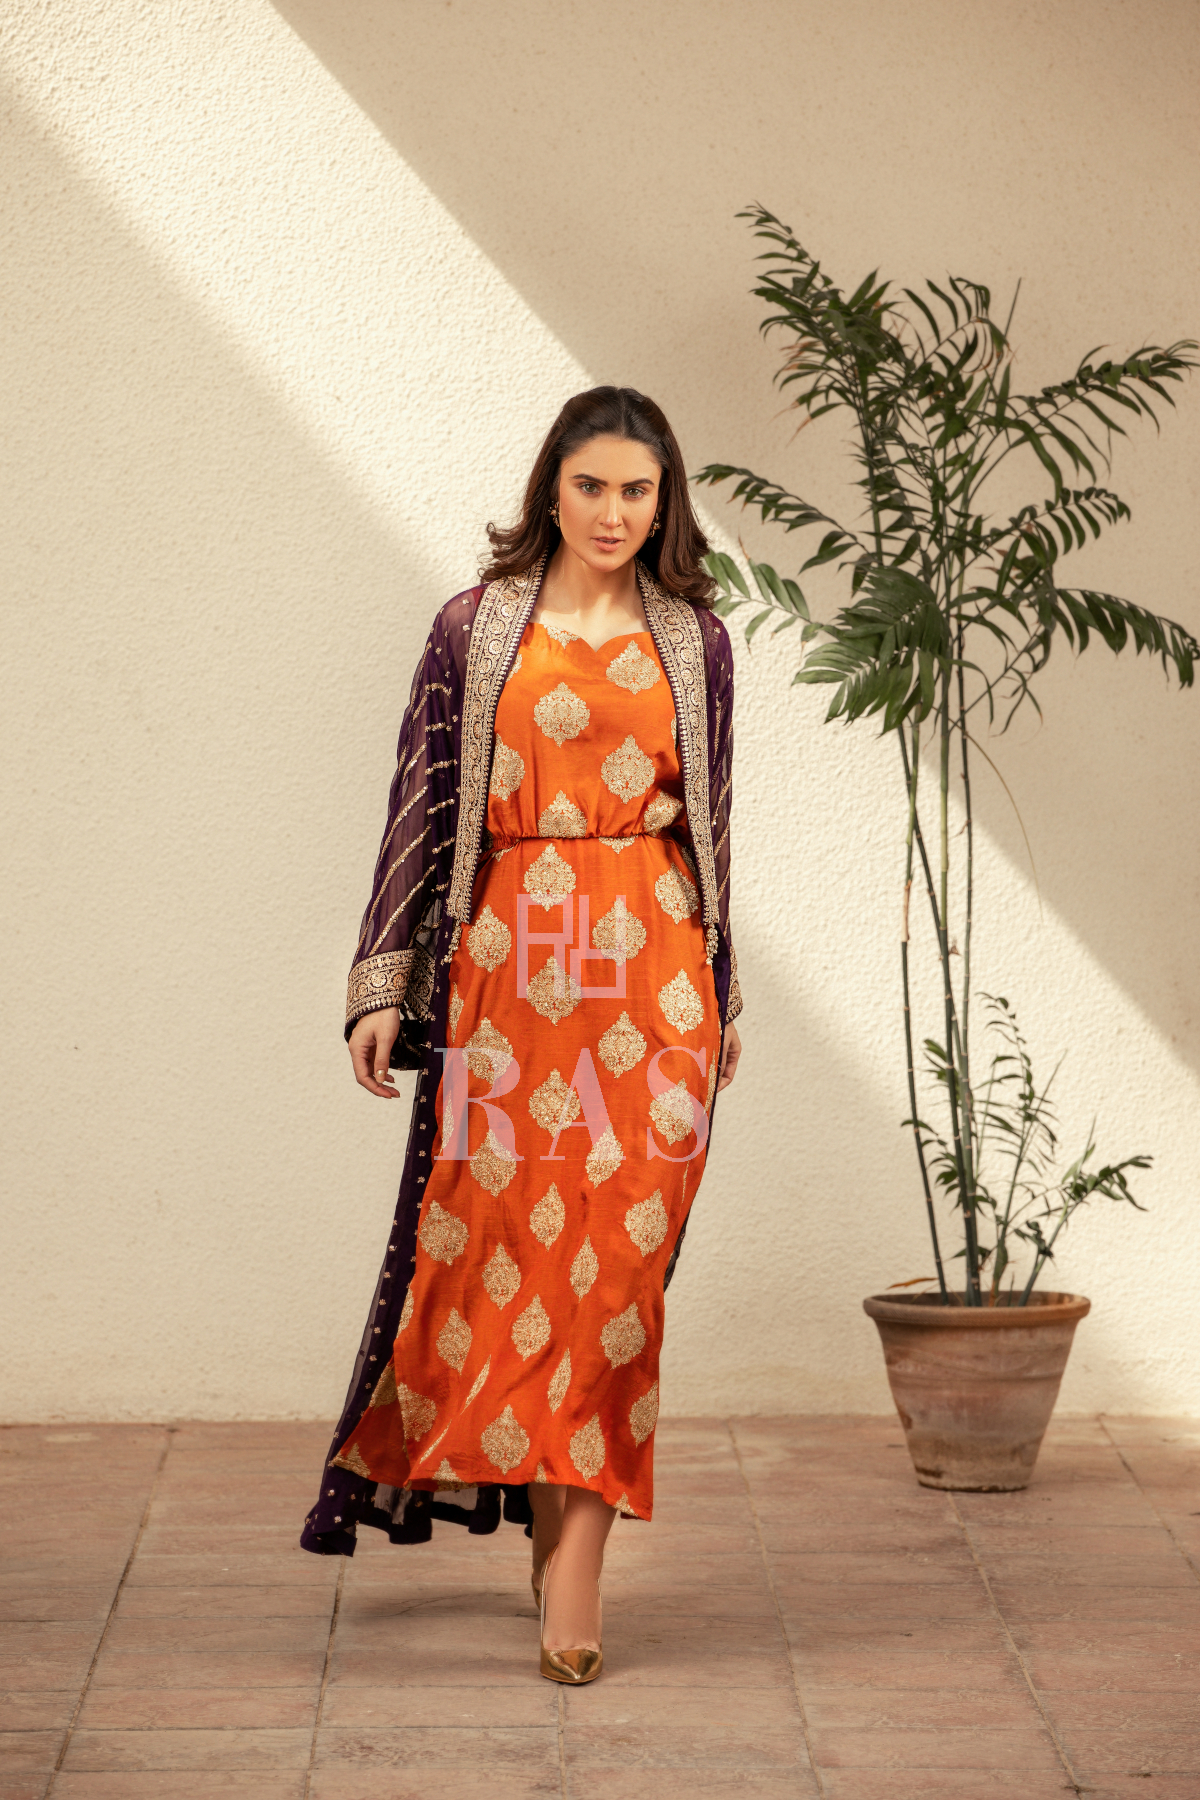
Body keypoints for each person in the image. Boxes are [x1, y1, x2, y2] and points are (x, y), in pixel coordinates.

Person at [301, 386, 742, 1684]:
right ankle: (555, 1536)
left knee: (618, 1277)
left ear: (665, 503)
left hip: (655, 981)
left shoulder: (699, 642)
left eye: (637, 491)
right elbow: (421, 798)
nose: (613, 512)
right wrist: (382, 983)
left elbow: (714, 830)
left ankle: (578, 1576)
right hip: (507, 983)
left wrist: (722, 997)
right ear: (553, 485)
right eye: (591, 485)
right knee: (517, 1263)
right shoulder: (475, 627)